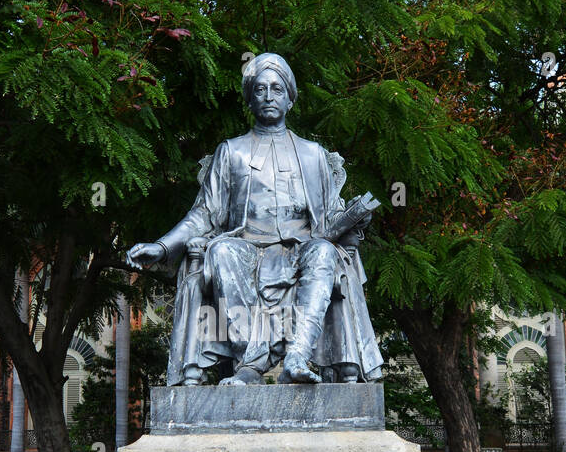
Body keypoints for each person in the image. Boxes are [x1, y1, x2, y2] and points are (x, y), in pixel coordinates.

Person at [127, 52, 384, 386]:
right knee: (220, 252)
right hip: (246, 247)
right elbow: (203, 213)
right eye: (260, 89)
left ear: (290, 99)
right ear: (250, 100)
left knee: (323, 252)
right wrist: (162, 247)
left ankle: (297, 357)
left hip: (302, 248)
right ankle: (250, 363)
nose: (268, 96)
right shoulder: (231, 151)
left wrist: (354, 218)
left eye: (277, 89)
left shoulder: (313, 154)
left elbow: (330, 218)